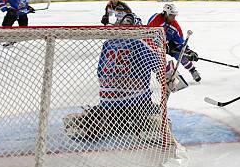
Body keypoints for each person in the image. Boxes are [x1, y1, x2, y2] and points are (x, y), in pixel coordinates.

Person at [63, 10, 172, 142]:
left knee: (108, 114)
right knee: (154, 110)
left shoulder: (108, 43)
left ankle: (86, 122)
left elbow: (99, 72)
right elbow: (160, 69)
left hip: (108, 103)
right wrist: (170, 79)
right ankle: (148, 125)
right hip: (135, 103)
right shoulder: (141, 42)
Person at [148, 4, 201, 82]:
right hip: (156, 44)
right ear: (165, 13)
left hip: (170, 44)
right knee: (157, 58)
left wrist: (188, 51)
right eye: (171, 15)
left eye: (174, 15)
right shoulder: (156, 19)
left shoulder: (175, 25)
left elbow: (180, 41)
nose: (173, 18)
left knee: (181, 54)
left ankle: (192, 70)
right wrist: (162, 46)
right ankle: (161, 74)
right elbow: (148, 35)